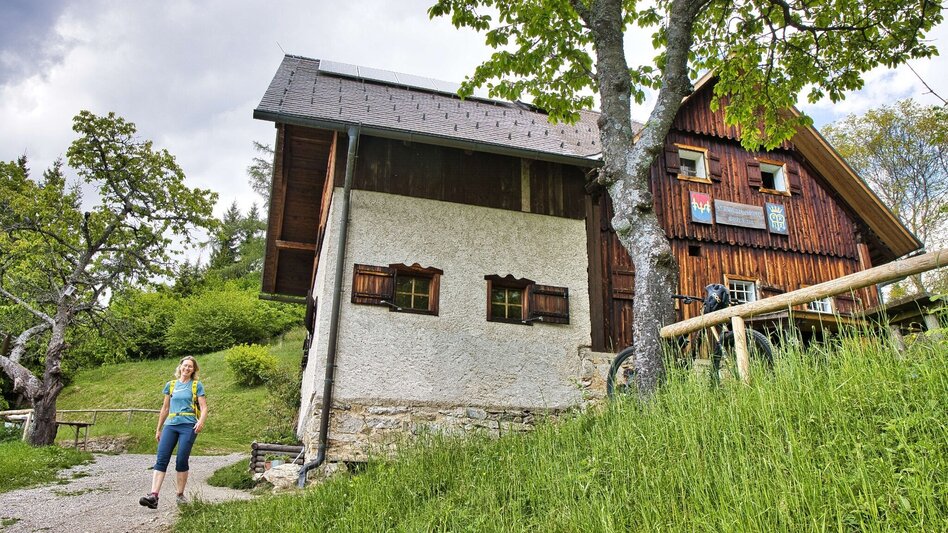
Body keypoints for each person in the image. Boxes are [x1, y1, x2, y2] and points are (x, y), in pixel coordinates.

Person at [139, 356, 207, 508]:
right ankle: (154, 496)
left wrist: (201, 421)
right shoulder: (170, 385)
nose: (187, 368)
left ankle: (180, 495)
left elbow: (204, 407)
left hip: (188, 426)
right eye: (185, 365)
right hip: (170, 425)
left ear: (193, 370)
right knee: (161, 458)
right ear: (180, 367)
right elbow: (165, 409)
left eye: (190, 366)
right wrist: (158, 428)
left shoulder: (196, 385)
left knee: (181, 459)